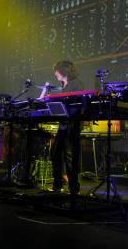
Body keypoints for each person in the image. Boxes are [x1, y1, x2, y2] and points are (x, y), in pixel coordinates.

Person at [50, 60, 84, 194]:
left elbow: (80, 104)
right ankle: (58, 185)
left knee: (69, 156)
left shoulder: (76, 84)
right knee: (55, 153)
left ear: (63, 71)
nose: (55, 74)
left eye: (57, 71)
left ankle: (73, 187)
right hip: (64, 124)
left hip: (72, 125)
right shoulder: (65, 85)